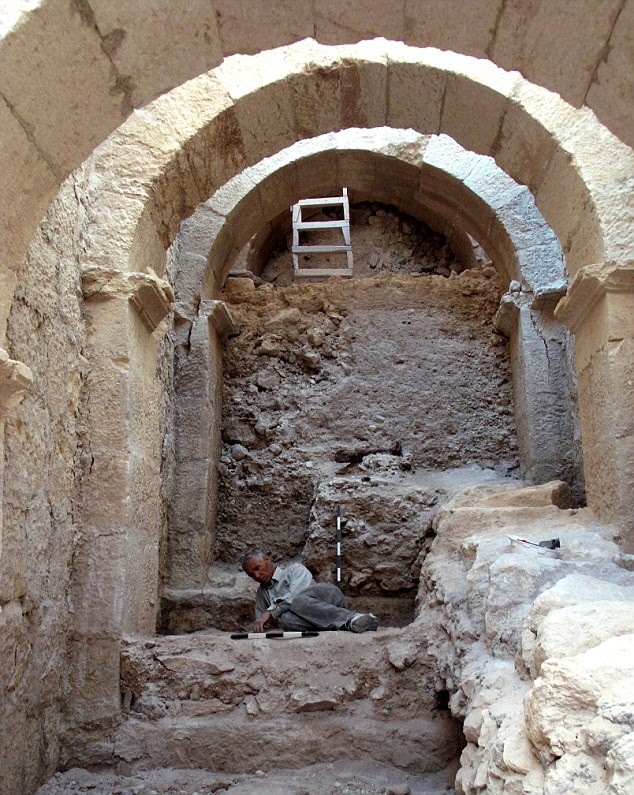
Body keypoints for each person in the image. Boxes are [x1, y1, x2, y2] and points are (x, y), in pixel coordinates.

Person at [241, 549, 378, 633]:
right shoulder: (262, 593)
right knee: (286, 621)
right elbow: (261, 620)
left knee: (298, 601)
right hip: (311, 619)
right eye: (251, 575)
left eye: (257, 568)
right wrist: (263, 624)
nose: (257, 576)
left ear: (266, 559)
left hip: (327, 597)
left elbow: (295, 597)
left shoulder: (295, 569)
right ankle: (351, 625)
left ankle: (352, 617)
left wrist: (270, 612)